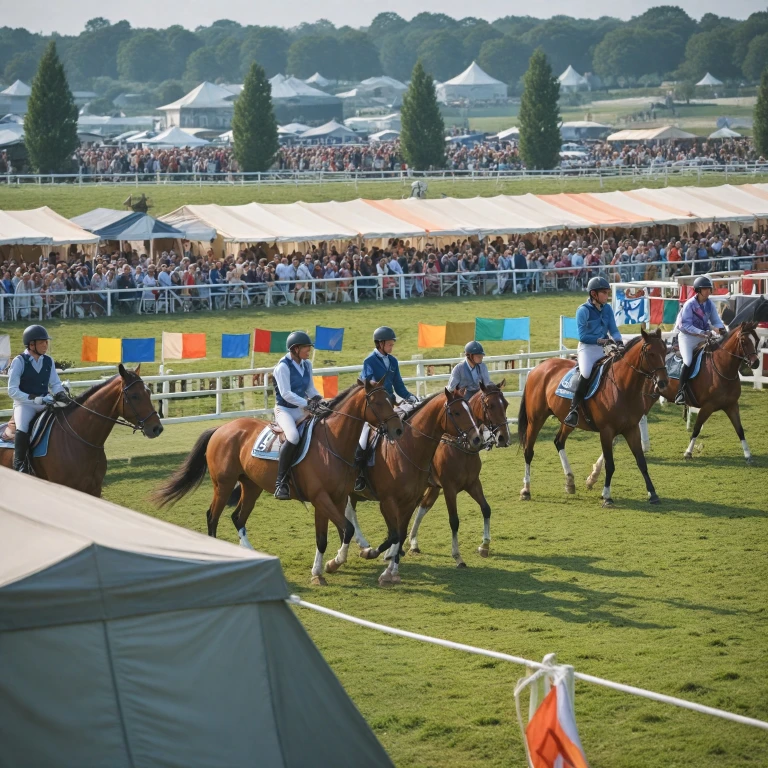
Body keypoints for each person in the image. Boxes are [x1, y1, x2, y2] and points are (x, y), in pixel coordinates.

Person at [354, 326, 418, 491]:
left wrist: (411, 397)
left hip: (390, 406)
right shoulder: (369, 361)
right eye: (389, 344)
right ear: (379, 344)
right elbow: (369, 384)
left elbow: (399, 386)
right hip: (374, 407)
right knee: (362, 439)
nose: (391, 347)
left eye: (392, 344)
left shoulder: (393, 361)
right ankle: (359, 475)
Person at [6, 325, 69, 472]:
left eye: (46, 342)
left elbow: (55, 383)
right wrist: (34, 399)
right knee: (22, 428)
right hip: (24, 405)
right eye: (42, 342)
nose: (46, 345)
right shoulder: (19, 361)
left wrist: (61, 394)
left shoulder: (48, 361)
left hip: (45, 402)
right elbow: (12, 390)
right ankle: (20, 464)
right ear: (31, 344)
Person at [565, 276, 623, 427]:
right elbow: (583, 336)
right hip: (587, 348)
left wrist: (620, 342)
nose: (607, 295)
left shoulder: (608, 308)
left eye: (607, 292)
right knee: (585, 373)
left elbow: (614, 330)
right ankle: (573, 410)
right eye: (604, 292)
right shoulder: (582, 311)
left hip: (604, 348)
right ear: (594, 294)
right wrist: (601, 340)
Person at [272, 331, 322, 500]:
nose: (309, 351)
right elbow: (286, 394)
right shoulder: (283, 367)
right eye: (306, 348)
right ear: (295, 349)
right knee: (293, 436)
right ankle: (280, 483)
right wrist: (308, 404)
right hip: (284, 410)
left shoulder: (306, 365)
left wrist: (318, 399)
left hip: (301, 408)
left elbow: (310, 388)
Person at [673, 275, 725, 404]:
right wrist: (703, 332)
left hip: (703, 337)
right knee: (688, 361)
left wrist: (721, 328)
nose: (708, 291)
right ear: (698, 290)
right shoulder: (689, 304)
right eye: (705, 289)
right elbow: (685, 325)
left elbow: (716, 320)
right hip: (687, 338)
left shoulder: (710, 304)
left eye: (709, 289)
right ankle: (680, 393)